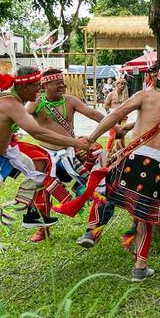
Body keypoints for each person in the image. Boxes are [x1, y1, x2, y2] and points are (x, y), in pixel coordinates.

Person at [55, 65, 160, 280]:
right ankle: (139, 268)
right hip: (157, 167)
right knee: (144, 218)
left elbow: (116, 115)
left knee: (104, 189)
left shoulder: (144, 95)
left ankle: (93, 229)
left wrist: (92, 138)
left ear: (157, 80)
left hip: (132, 159)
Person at [0, 59, 91, 290]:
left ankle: (33, 211)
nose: (39, 89)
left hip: (6, 151)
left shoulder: (15, 100)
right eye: (35, 85)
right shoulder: (11, 102)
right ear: (22, 86)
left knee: (41, 160)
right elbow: (36, 130)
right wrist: (75, 143)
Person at [24, 68, 115, 245]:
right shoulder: (35, 104)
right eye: (57, 83)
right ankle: (42, 228)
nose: (62, 86)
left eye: (62, 82)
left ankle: (93, 228)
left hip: (71, 153)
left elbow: (93, 114)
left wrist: (114, 126)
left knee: (95, 179)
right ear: (45, 85)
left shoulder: (70, 101)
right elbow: (21, 119)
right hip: (46, 155)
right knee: (41, 188)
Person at [104, 76, 131, 155]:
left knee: (122, 136)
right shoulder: (111, 94)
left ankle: (122, 152)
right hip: (113, 118)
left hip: (123, 118)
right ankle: (108, 152)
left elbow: (128, 105)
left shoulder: (125, 95)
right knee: (112, 136)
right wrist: (110, 113)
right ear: (117, 85)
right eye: (121, 84)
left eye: (125, 84)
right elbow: (106, 105)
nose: (123, 86)